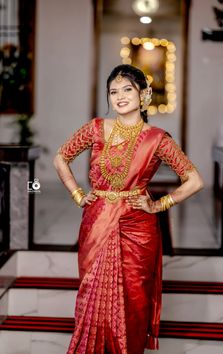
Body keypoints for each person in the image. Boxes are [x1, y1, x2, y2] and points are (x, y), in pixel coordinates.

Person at [53, 64, 204, 354]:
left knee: (134, 302)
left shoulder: (157, 138)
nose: (119, 96)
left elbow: (194, 180)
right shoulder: (95, 128)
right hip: (96, 220)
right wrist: (76, 193)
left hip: (138, 227)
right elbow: (61, 157)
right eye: (113, 91)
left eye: (127, 89)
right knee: (91, 294)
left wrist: (159, 204)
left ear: (144, 94)